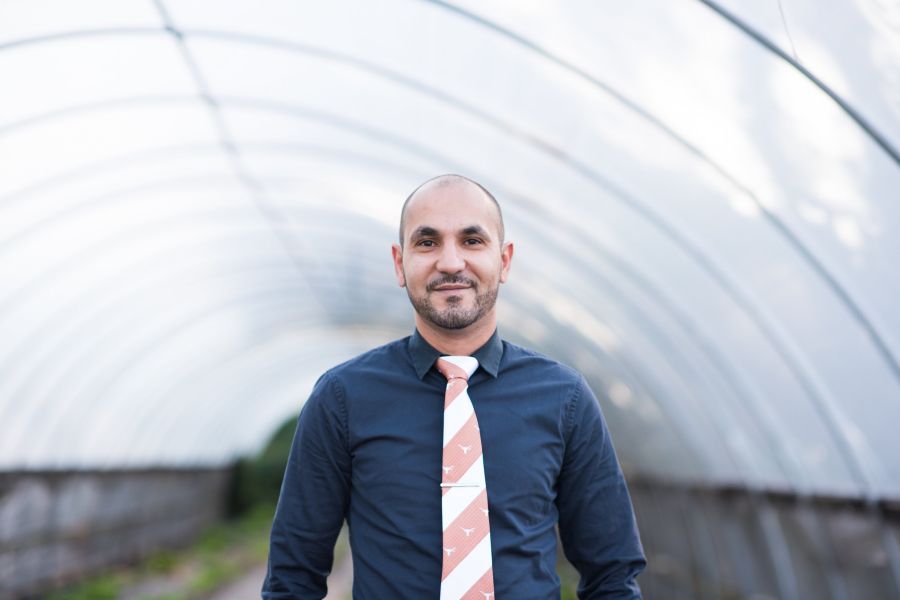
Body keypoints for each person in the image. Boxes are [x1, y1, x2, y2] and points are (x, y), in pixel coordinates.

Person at [262, 175, 646, 599]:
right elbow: (292, 577)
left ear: (505, 260)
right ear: (398, 262)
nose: (449, 262)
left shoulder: (564, 397)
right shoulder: (342, 398)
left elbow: (612, 574)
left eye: (471, 241)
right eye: (427, 242)